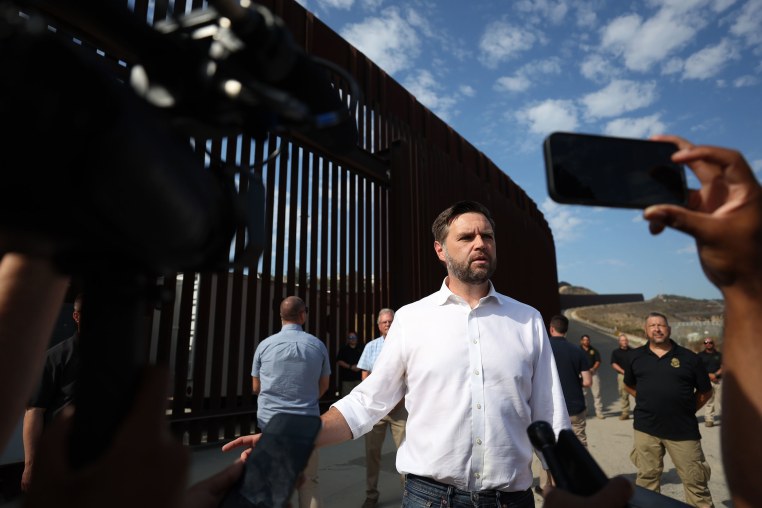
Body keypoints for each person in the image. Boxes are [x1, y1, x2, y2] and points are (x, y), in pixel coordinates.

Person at [226, 200, 569, 508]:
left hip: (511, 500)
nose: (481, 243)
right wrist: (292, 437)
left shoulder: (527, 319)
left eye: (488, 236)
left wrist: (568, 485)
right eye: (466, 237)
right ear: (440, 250)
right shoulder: (411, 319)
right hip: (430, 499)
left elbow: (549, 414)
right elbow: (367, 402)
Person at [624, 312, 714, 507]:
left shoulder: (690, 358)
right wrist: (648, 400)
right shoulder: (635, 357)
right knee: (647, 480)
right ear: (646, 331)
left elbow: (706, 392)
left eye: (661, 325)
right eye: (652, 326)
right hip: (646, 429)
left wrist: (688, 409)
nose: (657, 329)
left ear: (669, 330)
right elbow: (628, 385)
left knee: (695, 481)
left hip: (682, 430)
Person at [251, 295, 331, 508]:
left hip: (271, 426)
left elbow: (256, 388)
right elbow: (324, 386)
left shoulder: (264, 346)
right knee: (310, 483)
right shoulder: (318, 346)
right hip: (306, 426)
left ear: (281, 316)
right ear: (302, 315)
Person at [21, 294, 82, 492]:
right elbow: (34, 411)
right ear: (76, 316)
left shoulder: (114, 360)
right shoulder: (55, 358)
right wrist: (30, 466)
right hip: (60, 458)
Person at [355, 309, 407, 508]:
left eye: (391, 321)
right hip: (376, 411)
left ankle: (409, 495)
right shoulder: (371, 347)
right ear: (378, 326)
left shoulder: (404, 344)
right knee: (372, 454)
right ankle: (371, 495)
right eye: (384, 322)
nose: (388, 324)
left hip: (399, 409)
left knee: (406, 454)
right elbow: (365, 375)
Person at [538, 314, 591, 495]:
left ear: (551, 329)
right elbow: (587, 381)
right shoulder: (578, 351)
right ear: (566, 330)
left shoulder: (542, 349)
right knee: (579, 443)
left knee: (546, 447)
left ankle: (547, 486)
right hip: (575, 406)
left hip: (549, 409)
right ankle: (580, 481)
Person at [697, 337, 722, 428]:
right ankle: (709, 420)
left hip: (718, 381)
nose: (708, 344)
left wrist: (715, 375)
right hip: (706, 381)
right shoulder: (700, 355)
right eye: (706, 342)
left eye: (710, 342)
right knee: (709, 401)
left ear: (713, 344)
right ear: (704, 344)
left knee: (722, 401)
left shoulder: (719, 355)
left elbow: (724, 366)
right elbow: (699, 368)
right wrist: (709, 376)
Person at [579, 334, 605, 419]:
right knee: (583, 394)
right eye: (584, 340)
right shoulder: (577, 350)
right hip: (582, 375)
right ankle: (584, 412)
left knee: (597, 394)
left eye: (588, 340)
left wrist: (593, 369)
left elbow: (598, 361)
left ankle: (599, 412)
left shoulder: (594, 350)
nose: (586, 341)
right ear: (581, 341)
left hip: (593, 374)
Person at [610, 334, 634, 420]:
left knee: (638, 393)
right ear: (619, 342)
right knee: (623, 394)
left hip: (634, 375)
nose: (625, 342)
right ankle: (625, 412)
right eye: (623, 340)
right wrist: (623, 371)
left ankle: (641, 412)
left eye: (626, 340)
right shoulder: (616, 352)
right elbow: (614, 364)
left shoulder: (633, 351)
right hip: (622, 375)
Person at [335, 330, 363, 397]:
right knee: (346, 398)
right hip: (347, 379)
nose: (352, 339)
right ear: (348, 339)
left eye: (354, 337)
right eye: (350, 337)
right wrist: (350, 367)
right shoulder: (343, 349)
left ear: (357, 338)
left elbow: (366, 360)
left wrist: (359, 366)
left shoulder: (361, 349)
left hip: (359, 378)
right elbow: (339, 361)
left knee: (359, 398)